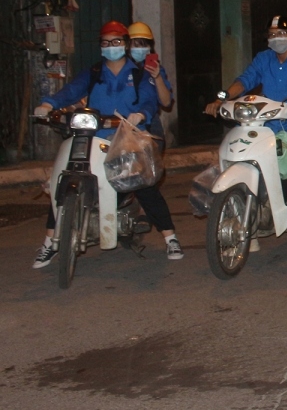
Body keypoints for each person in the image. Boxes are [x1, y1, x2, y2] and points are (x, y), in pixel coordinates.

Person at [32, 21, 183, 267]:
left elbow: (149, 101)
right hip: (94, 135)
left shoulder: (140, 74)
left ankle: (170, 237)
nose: (111, 47)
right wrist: (49, 104)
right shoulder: (93, 73)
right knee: (65, 180)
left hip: (128, 136)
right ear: (100, 46)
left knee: (143, 185)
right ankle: (50, 242)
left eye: (116, 42)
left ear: (124, 44)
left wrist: (141, 115)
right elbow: (71, 91)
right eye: (106, 42)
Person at [206, 16, 287, 227]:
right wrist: (222, 98)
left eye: (281, 34)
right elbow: (245, 81)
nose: (277, 38)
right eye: (272, 35)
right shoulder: (263, 59)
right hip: (268, 122)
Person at [127, 21, 173, 151]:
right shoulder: (122, 69)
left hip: (149, 123)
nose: (139, 48)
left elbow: (166, 102)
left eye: (143, 44)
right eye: (135, 44)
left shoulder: (155, 70)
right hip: (126, 121)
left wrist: (157, 77)